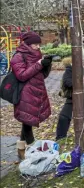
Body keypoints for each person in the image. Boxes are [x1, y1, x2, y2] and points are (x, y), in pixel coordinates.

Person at [11, 31, 52, 159]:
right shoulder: (18, 56)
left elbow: (42, 76)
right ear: (28, 44)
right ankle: (33, 152)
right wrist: (39, 64)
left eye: (39, 45)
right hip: (25, 94)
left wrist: (47, 65)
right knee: (27, 122)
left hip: (36, 92)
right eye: (35, 45)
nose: (38, 47)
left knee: (26, 122)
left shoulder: (36, 55)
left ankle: (21, 151)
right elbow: (22, 76)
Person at [56, 57, 74, 140]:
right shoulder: (69, 70)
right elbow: (68, 83)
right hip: (73, 97)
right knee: (64, 117)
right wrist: (81, 81)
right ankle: (60, 137)